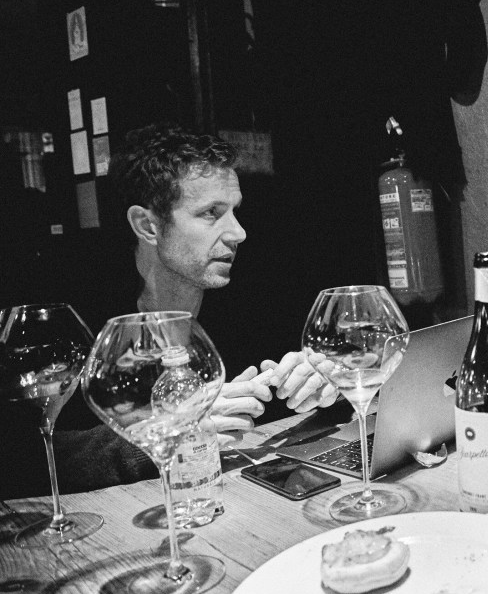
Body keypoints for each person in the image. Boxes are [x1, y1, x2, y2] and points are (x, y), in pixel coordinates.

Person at [2, 126, 334, 499]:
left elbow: (291, 416)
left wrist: (323, 387)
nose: (238, 233)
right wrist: (168, 431)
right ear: (147, 226)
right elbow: (24, 459)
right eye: (211, 213)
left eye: (234, 211)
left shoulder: (252, 296)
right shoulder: (82, 319)